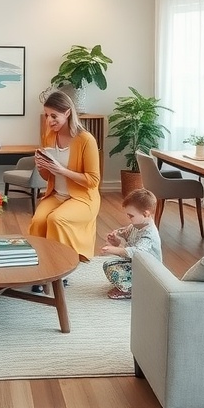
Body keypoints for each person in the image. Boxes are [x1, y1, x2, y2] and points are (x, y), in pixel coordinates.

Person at [29, 89, 101, 272]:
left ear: (67, 113)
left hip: (83, 198)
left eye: (54, 116)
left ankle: (59, 267)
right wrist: (42, 167)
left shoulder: (86, 140)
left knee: (56, 219)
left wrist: (63, 171)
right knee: (38, 220)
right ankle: (40, 264)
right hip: (57, 195)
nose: (49, 121)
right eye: (46, 115)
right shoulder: (49, 136)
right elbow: (48, 177)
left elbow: (93, 181)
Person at [100, 187, 162, 299]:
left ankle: (134, 290)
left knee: (114, 270)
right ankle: (129, 285)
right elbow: (125, 232)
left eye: (131, 216)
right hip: (136, 266)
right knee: (108, 265)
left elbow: (136, 252)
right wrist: (116, 237)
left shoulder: (149, 235)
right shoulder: (136, 225)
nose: (129, 218)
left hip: (149, 273)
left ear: (146, 214)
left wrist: (114, 250)